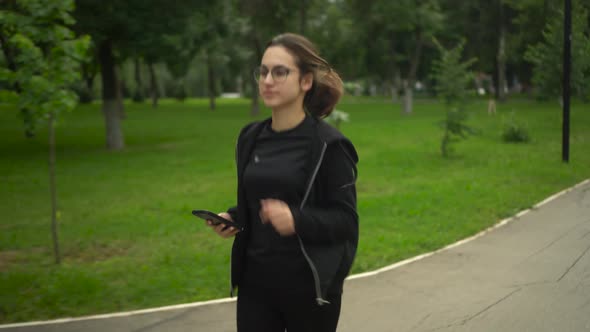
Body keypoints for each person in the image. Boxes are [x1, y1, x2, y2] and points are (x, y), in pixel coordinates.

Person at [206, 32, 359, 332]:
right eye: (263, 72)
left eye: (279, 72)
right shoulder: (250, 137)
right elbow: (260, 199)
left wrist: (297, 220)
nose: (267, 80)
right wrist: (233, 217)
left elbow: (345, 221)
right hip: (256, 285)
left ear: (305, 82)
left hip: (309, 290)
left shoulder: (330, 145)